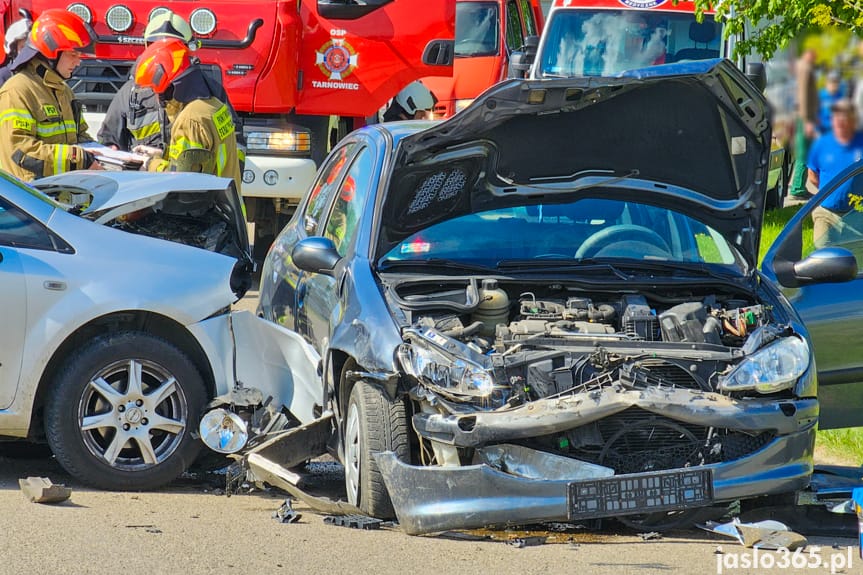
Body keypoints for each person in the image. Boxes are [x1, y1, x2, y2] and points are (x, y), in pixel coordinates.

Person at [98, 10, 245, 166]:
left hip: (191, 185)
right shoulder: (131, 92)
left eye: (173, 47)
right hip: (143, 185)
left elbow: (233, 146)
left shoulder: (209, 93)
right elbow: (108, 139)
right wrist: (111, 152)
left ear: (187, 50)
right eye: (157, 45)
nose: (164, 54)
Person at [0, 9, 101, 181]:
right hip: (30, 201)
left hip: (61, 194)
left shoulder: (64, 91)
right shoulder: (17, 91)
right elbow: (19, 150)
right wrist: (79, 158)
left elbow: (80, 136)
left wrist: (103, 153)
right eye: (73, 54)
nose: (78, 62)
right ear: (51, 52)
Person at [133, 37, 241, 192]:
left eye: (156, 91)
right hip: (226, 207)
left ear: (170, 88)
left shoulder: (190, 120)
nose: (156, 97)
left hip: (205, 213)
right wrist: (163, 154)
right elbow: (198, 160)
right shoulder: (213, 106)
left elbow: (181, 182)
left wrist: (151, 164)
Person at [807, 98, 863, 247]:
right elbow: (812, 176)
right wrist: (832, 193)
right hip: (825, 213)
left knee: (855, 262)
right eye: (836, 117)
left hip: (856, 216)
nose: (839, 121)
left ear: (853, 119)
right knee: (822, 256)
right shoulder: (821, 144)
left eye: (844, 117)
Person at [789, 48, 818, 199]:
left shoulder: (803, 69)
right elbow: (805, 98)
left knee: (804, 152)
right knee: (804, 153)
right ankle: (798, 188)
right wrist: (808, 121)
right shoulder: (806, 70)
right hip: (805, 118)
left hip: (803, 117)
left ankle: (798, 187)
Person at [0, 16, 32, 87]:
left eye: (31, 47)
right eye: (23, 47)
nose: (29, 51)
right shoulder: (3, 77)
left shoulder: (43, 73)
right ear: (13, 51)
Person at [817, 70, 846, 135]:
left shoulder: (840, 96)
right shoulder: (820, 95)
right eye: (832, 82)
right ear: (826, 83)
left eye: (836, 82)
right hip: (822, 129)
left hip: (835, 129)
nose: (834, 84)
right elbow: (815, 112)